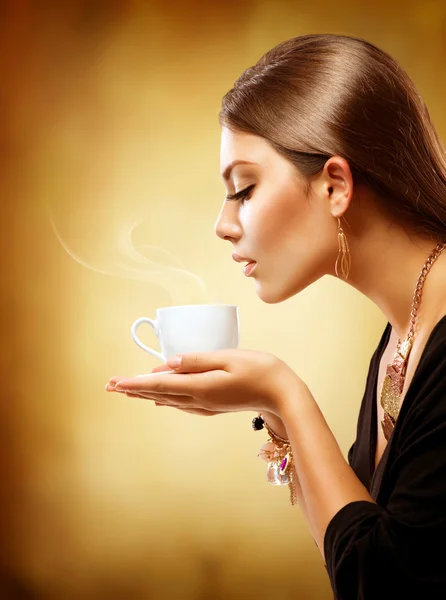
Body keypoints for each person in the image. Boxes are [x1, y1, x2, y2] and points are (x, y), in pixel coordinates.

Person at [106, 34, 446, 599]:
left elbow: (384, 583)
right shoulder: (402, 333)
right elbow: (357, 545)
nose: (223, 224)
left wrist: (285, 393)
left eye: (244, 189)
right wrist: (275, 410)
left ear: (335, 184)